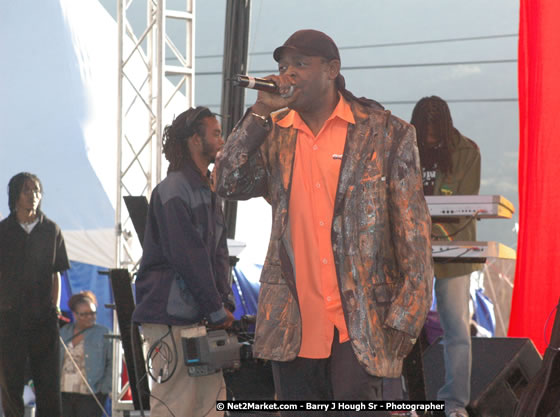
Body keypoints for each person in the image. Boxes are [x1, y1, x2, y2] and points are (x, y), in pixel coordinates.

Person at [214, 29, 433, 416]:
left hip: (365, 325)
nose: (288, 74)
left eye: (301, 64)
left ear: (332, 69)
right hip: (294, 326)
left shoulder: (386, 133)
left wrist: (402, 324)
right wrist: (260, 111)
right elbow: (226, 181)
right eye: (283, 66)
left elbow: (413, 236)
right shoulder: (274, 134)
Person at [132, 106, 235, 417]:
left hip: (198, 317)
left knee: (210, 406)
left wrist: (221, 304)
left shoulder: (207, 189)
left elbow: (216, 255)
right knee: (175, 405)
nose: (222, 139)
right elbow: (188, 257)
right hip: (171, 317)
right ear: (195, 140)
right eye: (216, 133)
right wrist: (217, 308)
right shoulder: (174, 190)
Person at [410, 96, 481, 417]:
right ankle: (408, 399)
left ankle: (454, 404)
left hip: (452, 250)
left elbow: (466, 204)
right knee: (402, 328)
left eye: (435, 126)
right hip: (412, 250)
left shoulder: (466, 151)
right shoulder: (405, 148)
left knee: (456, 330)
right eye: (424, 126)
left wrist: (432, 231)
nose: (429, 133)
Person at [0, 172, 70, 417]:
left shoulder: (51, 230)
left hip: (43, 317)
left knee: (48, 383)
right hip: (10, 318)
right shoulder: (3, 231)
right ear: (15, 195)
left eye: (37, 190)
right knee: (10, 381)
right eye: (27, 190)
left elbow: (56, 273)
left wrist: (55, 307)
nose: (33, 196)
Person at [59, 290, 112, 417]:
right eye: (84, 314)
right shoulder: (63, 332)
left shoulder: (103, 333)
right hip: (63, 392)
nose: (90, 317)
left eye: (93, 313)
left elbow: (112, 363)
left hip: (91, 393)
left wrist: (104, 389)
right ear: (75, 314)